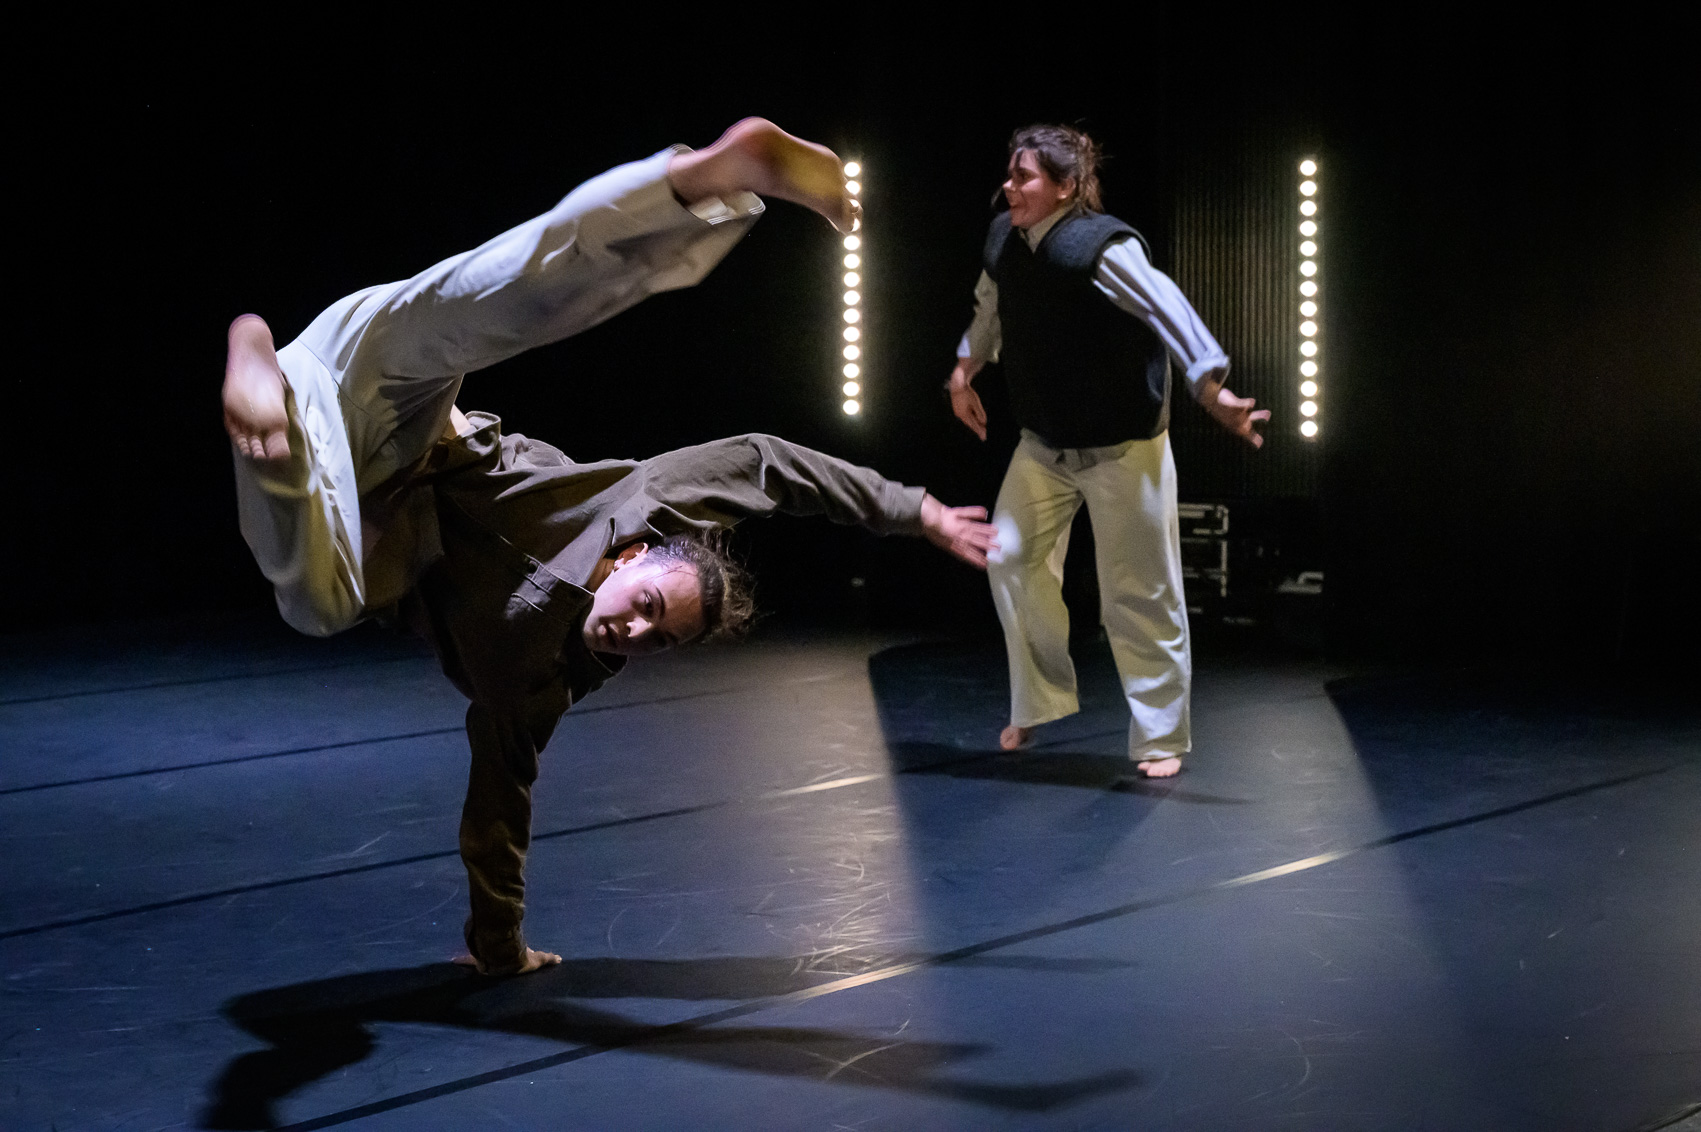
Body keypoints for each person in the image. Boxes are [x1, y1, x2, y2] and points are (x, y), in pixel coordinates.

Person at [223, 119, 998, 976]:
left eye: (655, 643)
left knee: (319, 603)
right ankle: (704, 179)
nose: (634, 635)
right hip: (399, 399)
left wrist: (499, 946)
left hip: (329, 469)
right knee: (505, 303)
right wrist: (916, 510)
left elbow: (497, 809)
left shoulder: (539, 684)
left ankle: (256, 356)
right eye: (648, 611)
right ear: (636, 560)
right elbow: (773, 466)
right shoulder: (644, 500)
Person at [944, 124, 1268, 779]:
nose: (1009, 186)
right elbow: (991, 304)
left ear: (1065, 188)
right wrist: (964, 369)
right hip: (1045, 443)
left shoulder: (1101, 246)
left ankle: (1159, 737)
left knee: (1138, 592)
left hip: (1125, 447)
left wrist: (1209, 387)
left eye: (1024, 176)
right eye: (1009, 173)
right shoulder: (1006, 237)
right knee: (1008, 557)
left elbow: (1165, 304)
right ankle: (1037, 701)